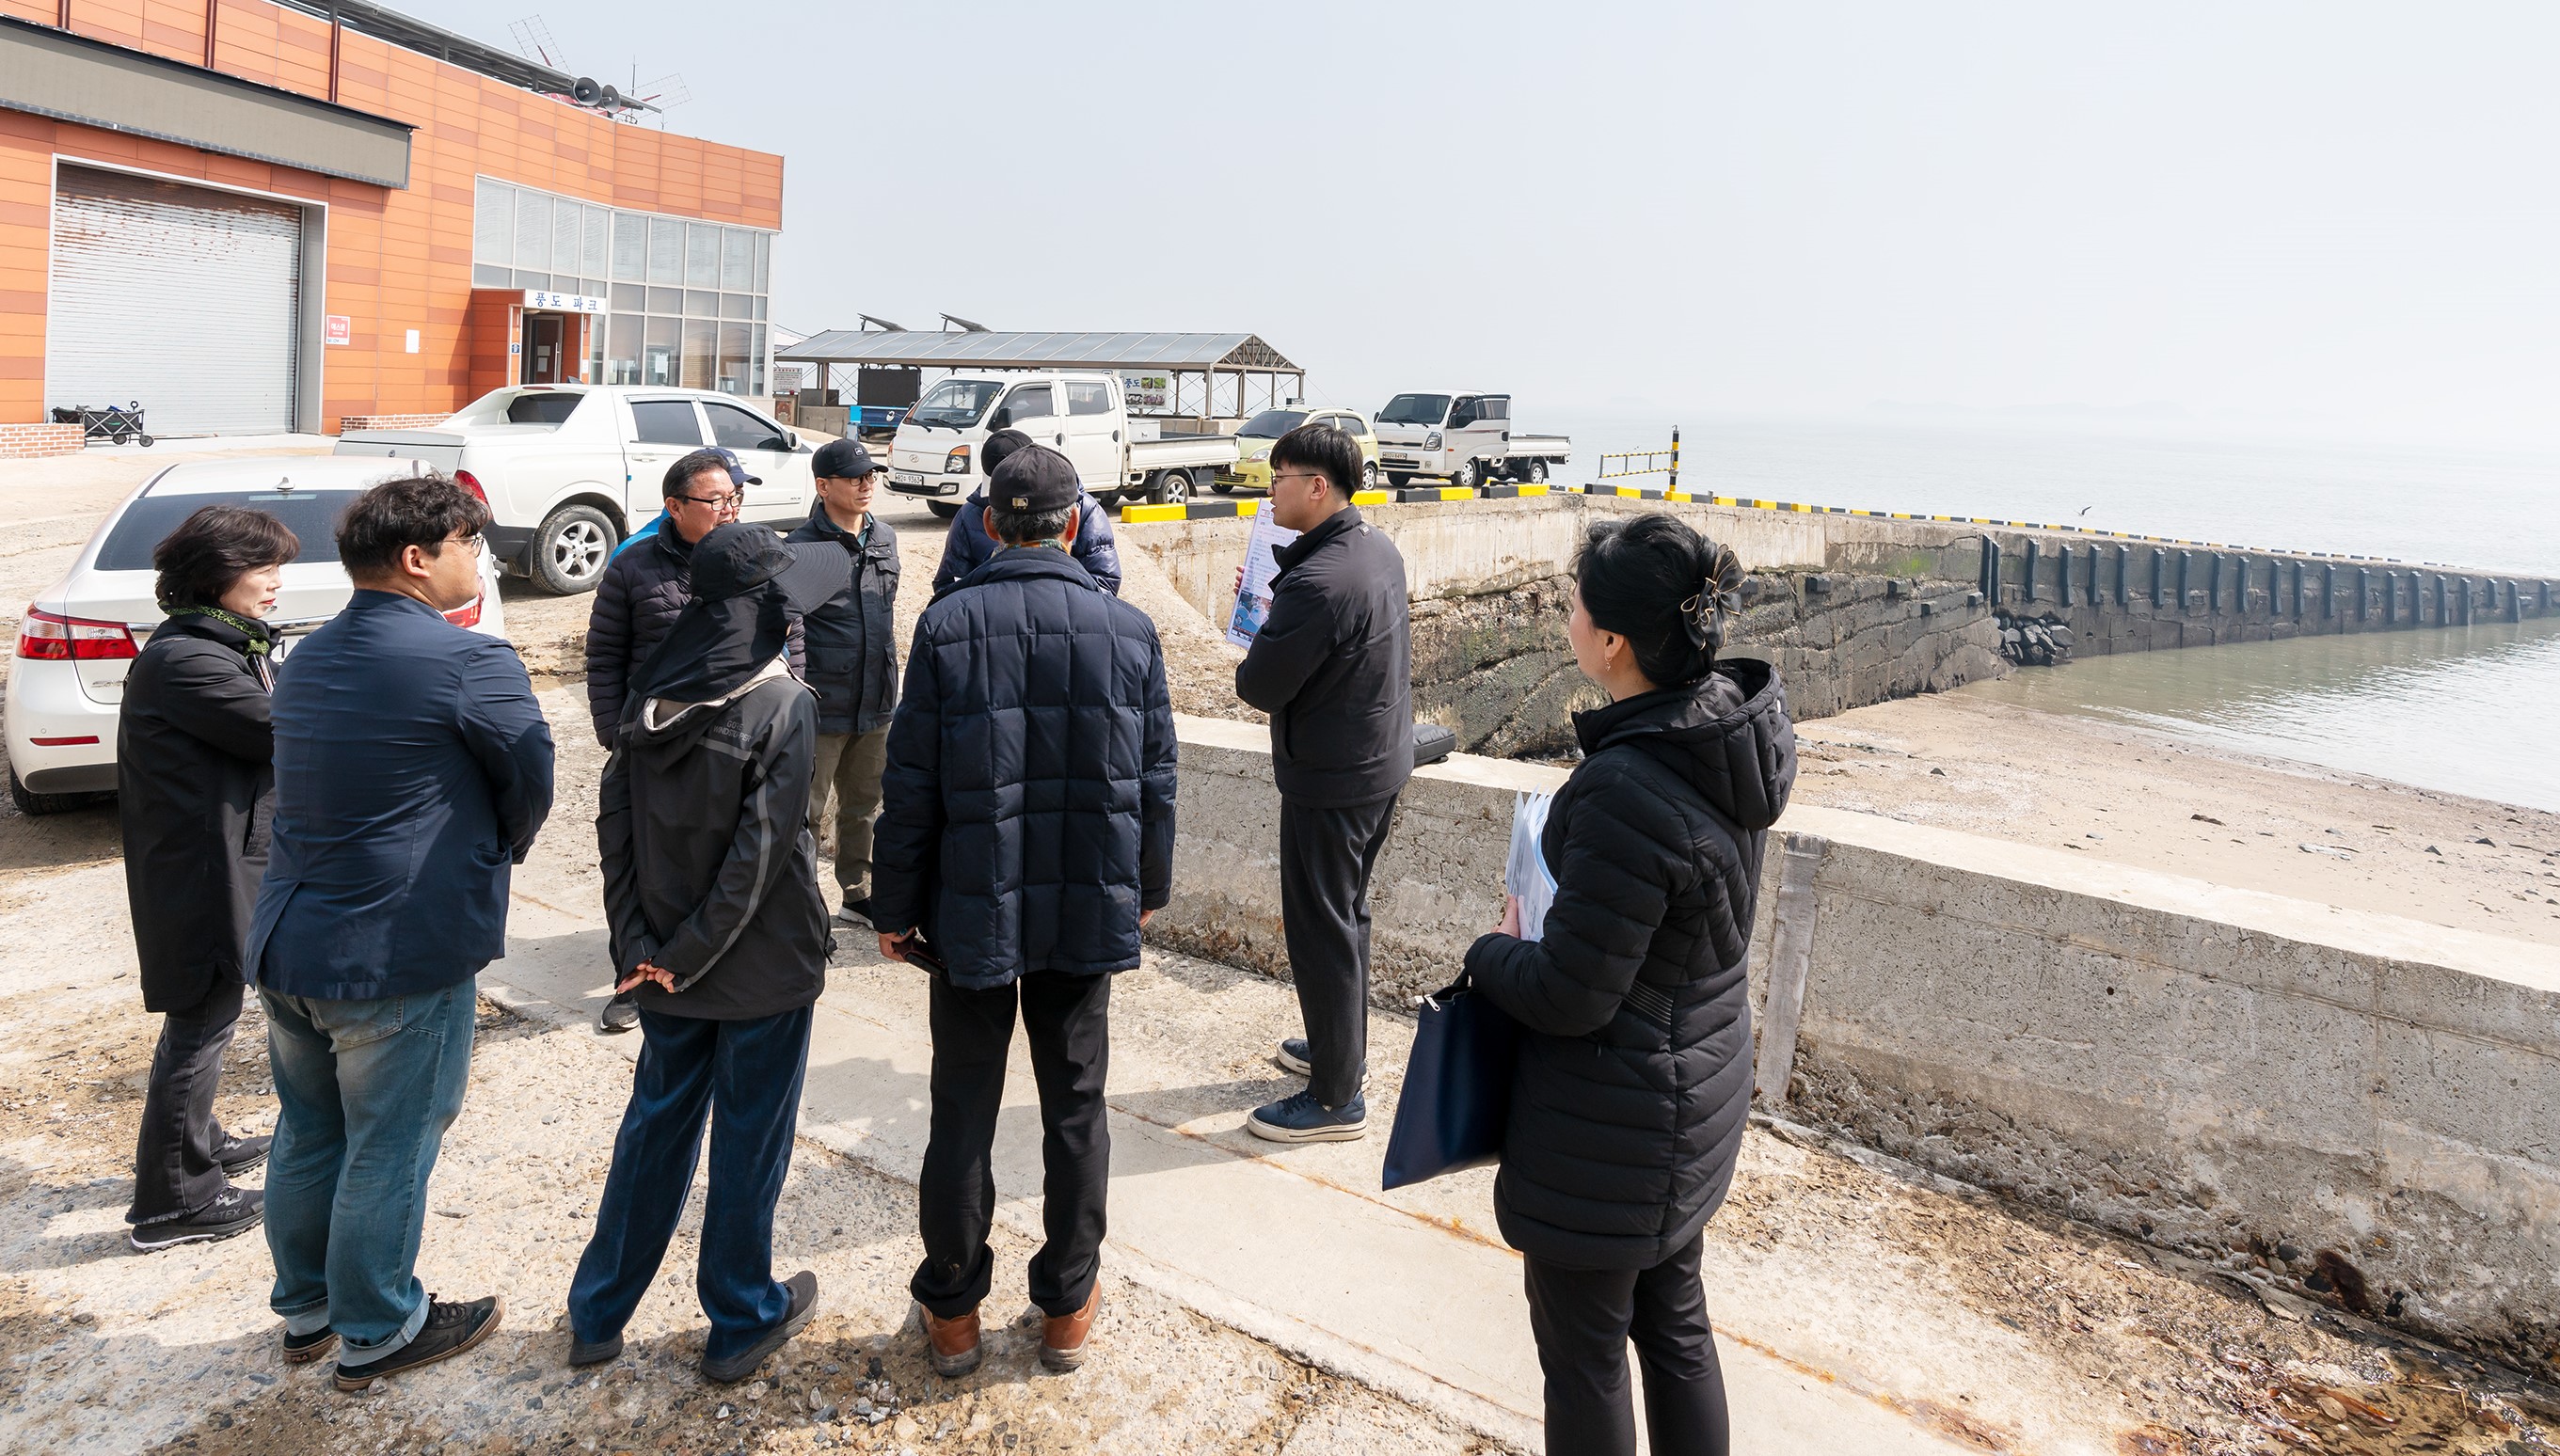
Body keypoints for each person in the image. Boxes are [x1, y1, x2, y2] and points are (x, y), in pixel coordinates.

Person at [1464, 514, 1796, 1456]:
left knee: (1586, 1358)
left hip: (1616, 1118)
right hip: (1696, 1090)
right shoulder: (1724, 737)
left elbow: (1573, 993)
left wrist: (1490, 953)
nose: (1564, 618)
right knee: (1676, 1328)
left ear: (1611, 641)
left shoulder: (1626, 786)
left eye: (1574, 606)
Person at [872, 445, 1177, 1379]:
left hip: (971, 909)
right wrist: (1147, 895)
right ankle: (1067, 1308)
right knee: (1076, 1111)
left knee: (960, 1108)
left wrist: (893, 904)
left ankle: (955, 1313)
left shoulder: (948, 625)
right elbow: (1156, 780)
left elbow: (910, 780)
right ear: (1075, 525)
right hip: (1086, 910)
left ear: (993, 527)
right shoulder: (1127, 630)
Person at [246, 473, 556, 1390]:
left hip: (288, 939)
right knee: (390, 1138)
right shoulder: (468, 661)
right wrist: (501, 844)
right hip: (387, 950)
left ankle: (307, 1311)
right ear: (419, 559)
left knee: (309, 1131)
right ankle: (379, 1325)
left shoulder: (306, 657)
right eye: (471, 541)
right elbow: (529, 779)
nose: (483, 559)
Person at [568, 522, 848, 1385]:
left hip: (658, 960)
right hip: (757, 968)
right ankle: (739, 1316)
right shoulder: (782, 704)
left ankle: (598, 1311)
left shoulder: (652, 693)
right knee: (747, 1142)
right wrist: (683, 954)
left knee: (654, 1131)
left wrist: (639, 947)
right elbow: (762, 854)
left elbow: (613, 826)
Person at [117, 504, 299, 1251]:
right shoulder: (185, 659)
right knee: (200, 1020)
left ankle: (199, 1142)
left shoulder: (217, 642)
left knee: (209, 1016)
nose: (275, 584)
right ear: (215, 575)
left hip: (217, 856)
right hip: (198, 870)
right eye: (262, 570)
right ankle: (171, 1202)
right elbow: (275, 726)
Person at [1232, 422, 1411, 1143]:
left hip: (1332, 778)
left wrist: (1262, 621)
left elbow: (1259, 685)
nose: (1266, 491)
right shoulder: (1374, 550)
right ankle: (1342, 1052)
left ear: (1316, 487)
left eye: (1277, 478)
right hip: (1375, 762)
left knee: (1321, 930)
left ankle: (1337, 1099)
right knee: (1347, 918)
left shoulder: (1315, 581)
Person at [584, 446, 796, 1033]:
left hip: (737, 737)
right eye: (716, 501)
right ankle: (634, 975)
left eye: (735, 498)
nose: (729, 510)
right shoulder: (633, 566)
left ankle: (713, 965)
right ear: (674, 506)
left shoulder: (754, 553)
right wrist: (615, 734)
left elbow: (789, 630)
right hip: (654, 740)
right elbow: (603, 658)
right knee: (643, 862)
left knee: (737, 855)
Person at [786, 437, 901, 930]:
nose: (865, 484)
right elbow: (789, 629)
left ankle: (857, 892)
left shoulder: (887, 538)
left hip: (875, 699)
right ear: (822, 486)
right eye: (853, 477)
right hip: (821, 704)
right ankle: (799, 904)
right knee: (804, 814)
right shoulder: (800, 548)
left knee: (864, 806)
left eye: (869, 475)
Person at [930, 428, 1124, 595]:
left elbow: (1105, 579)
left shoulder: (1086, 510)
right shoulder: (969, 514)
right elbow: (948, 582)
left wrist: (1065, 606)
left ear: (1072, 521)